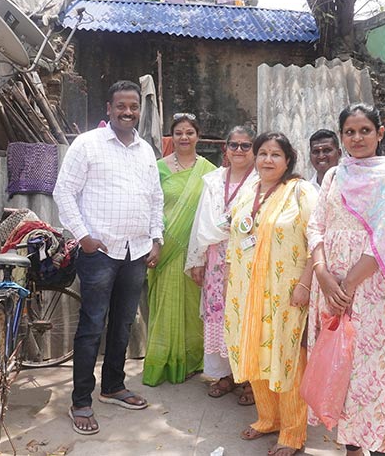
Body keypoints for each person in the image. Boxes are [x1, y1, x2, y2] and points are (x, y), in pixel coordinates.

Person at [53, 80, 164, 436]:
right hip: (100, 252)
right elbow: (63, 192)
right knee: (91, 326)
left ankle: (113, 386)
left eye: (133, 107)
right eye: (121, 106)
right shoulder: (87, 144)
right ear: (109, 108)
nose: (128, 112)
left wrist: (156, 238)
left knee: (123, 323)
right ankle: (81, 400)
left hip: (137, 250)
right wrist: (83, 236)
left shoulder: (146, 150)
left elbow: (155, 198)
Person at [307, 103, 385, 456]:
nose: (357, 138)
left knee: (371, 371)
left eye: (365, 130)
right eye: (349, 132)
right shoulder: (333, 176)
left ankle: (380, 446)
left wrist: (347, 286)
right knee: (341, 368)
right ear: (341, 137)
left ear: (380, 133)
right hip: (331, 287)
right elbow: (316, 225)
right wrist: (322, 274)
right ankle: (351, 448)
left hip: (371, 291)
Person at [224, 131, 318, 456]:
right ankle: (268, 418)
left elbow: (317, 242)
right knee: (255, 355)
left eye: (275, 154)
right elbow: (234, 238)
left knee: (287, 359)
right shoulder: (248, 191)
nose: (267, 160)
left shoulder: (301, 192)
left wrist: (306, 283)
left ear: (288, 160)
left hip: (286, 294)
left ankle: (292, 432)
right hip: (245, 294)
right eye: (262, 153)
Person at [142, 113, 217, 386]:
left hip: (197, 250)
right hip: (166, 247)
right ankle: (163, 362)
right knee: (165, 304)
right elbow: (151, 207)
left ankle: (192, 361)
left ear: (198, 136)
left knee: (192, 309)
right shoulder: (158, 168)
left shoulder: (210, 171)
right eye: (179, 133)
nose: (184, 137)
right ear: (171, 137)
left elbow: (215, 212)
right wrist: (155, 242)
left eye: (189, 132)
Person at [185, 125, 258, 403]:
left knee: (245, 315)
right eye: (234, 145)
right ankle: (225, 375)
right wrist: (197, 259)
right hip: (215, 258)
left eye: (246, 145)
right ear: (225, 148)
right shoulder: (213, 180)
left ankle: (250, 378)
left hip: (247, 258)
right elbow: (201, 221)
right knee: (219, 314)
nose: (239, 150)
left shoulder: (261, 181)